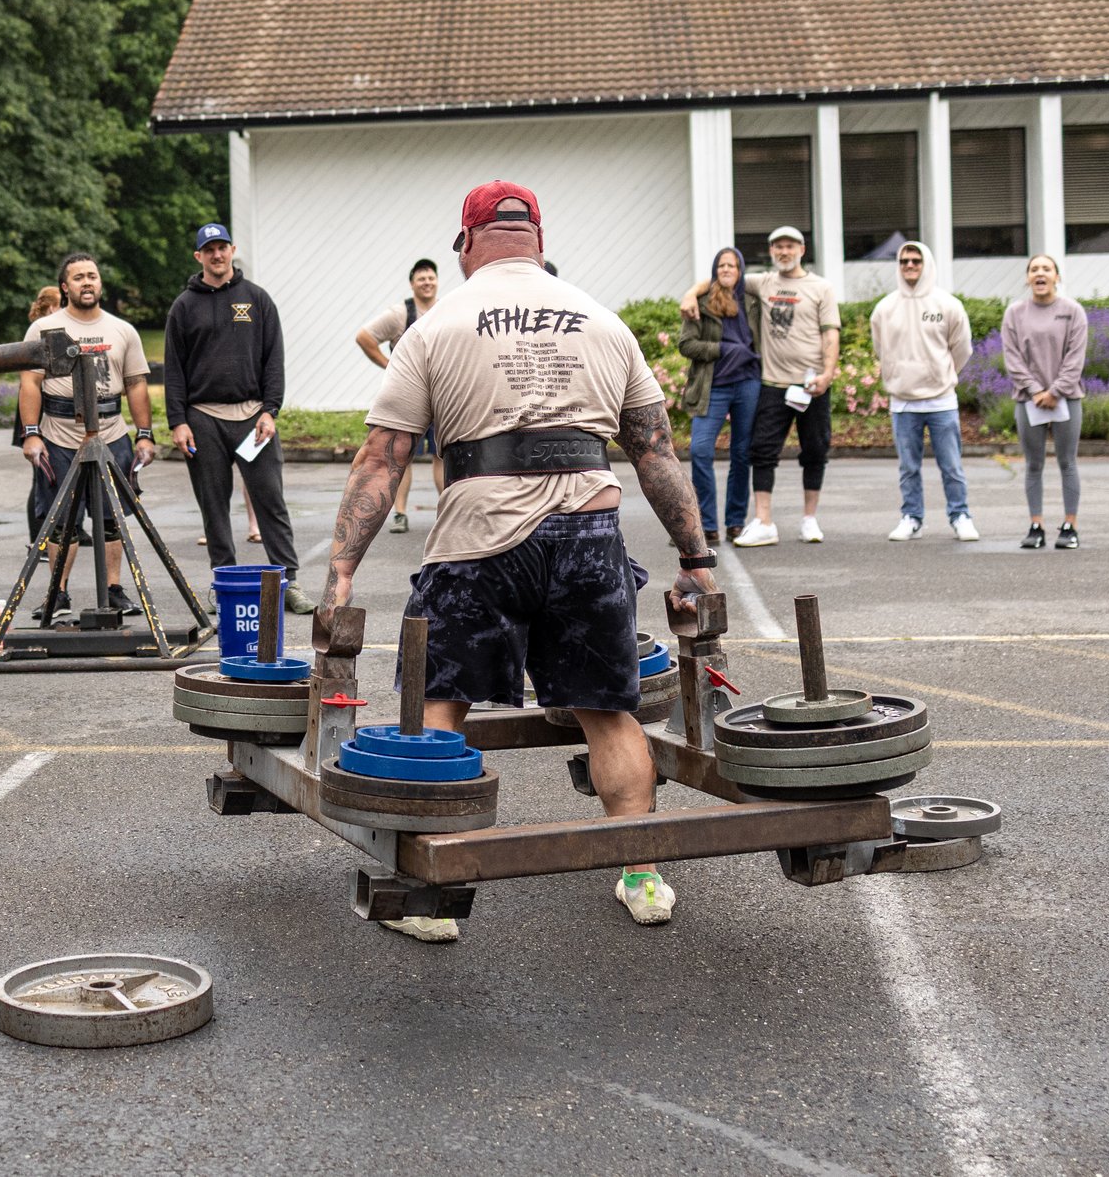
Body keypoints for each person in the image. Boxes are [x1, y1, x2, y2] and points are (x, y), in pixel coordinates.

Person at [325, 182, 718, 941]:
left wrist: (341, 571)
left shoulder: (435, 328)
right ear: (537, 238)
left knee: (439, 701)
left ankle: (432, 893)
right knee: (610, 708)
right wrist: (696, 557)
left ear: (466, 244)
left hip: (481, 536)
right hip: (587, 535)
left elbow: (383, 457)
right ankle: (640, 871)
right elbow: (655, 452)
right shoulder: (605, 323)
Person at [165, 223, 311, 612]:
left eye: (222, 247)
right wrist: (177, 421)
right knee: (213, 504)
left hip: (252, 417)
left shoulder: (257, 299)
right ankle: (223, 583)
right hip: (204, 419)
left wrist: (270, 410)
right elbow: (174, 370)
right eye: (208, 249)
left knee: (270, 501)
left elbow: (273, 360)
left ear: (232, 250)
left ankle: (287, 583)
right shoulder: (183, 306)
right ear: (198, 256)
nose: (216, 255)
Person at [680, 227, 839, 547]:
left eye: (790, 245)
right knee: (726, 452)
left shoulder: (799, 289)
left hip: (781, 384)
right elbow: (692, 334)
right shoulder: (731, 293)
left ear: (802, 249)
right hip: (743, 386)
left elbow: (831, 333)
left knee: (784, 452)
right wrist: (690, 294)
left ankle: (771, 520)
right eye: (778, 246)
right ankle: (728, 522)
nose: (784, 251)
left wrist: (828, 372)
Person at [19, 254, 158, 618]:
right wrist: (31, 435)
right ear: (65, 287)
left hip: (111, 433)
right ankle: (57, 595)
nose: (87, 282)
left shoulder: (122, 330)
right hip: (59, 435)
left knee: (113, 519)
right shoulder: (44, 329)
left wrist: (145, 435)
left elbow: (136, 384)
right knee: (62, 520)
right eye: (78, 277)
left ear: (100, 283)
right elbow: (30, 382)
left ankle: (113, 590)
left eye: (92, 276)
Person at [871, 240, 977, 543]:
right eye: (904, 261)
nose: (909, 266)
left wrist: (941, 374)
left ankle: (961, 516)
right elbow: (882, 350)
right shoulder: (885, 308)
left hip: (941, 400)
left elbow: (962, 349)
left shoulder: (947, 305)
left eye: (916, 261)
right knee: (908, 467)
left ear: (926, 264)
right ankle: (911, 517)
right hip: (903, 403)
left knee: (951, 465)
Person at [353, 258, 445, 534]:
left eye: (431, 278)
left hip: (440, 395)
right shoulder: (399, 314)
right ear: (412, 283)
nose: (426, 282)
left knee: (442, 455)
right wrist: (387, 364)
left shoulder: (446, 310)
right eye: (421, 279)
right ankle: (400, 514)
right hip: (408, 396)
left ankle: (445, 512)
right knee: (402, 455)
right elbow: (364, 337)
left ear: (436, 281)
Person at [1005, 254, 1088, 549]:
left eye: (1046, 269)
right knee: (1033, 464)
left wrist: (1056, 391)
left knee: (1067, 461)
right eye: (1034, 269)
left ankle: (1070, 526)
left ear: (1057, 277)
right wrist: (1034, 390)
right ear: (1028, 278)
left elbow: (1075, 357)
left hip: (1067, 399)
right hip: (1028, 401)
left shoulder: (1073, 311)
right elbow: (1012, 358)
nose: (1040, 274)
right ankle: (1036, 525)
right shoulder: (1014, 313)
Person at [676, 248, 758, 546]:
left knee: (742, 453)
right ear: (714, 270)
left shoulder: (751, 300)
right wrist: (722, 349)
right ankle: (707, 524)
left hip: (748, 384)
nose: (726, 269)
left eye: (732, 265)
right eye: (721, 265)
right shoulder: (700, 302)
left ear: (740, 270)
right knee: (700, 450)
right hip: (713, 386)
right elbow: (686, 345)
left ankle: (736, 522)